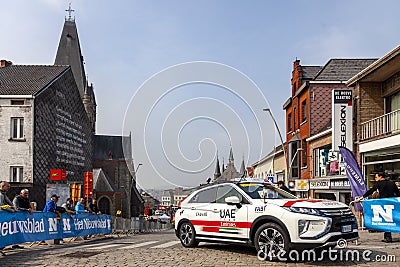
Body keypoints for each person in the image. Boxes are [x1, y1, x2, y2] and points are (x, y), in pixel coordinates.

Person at [355, 172, 400, 242]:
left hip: (384, 204)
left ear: (380, 177)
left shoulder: (379, 183)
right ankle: (390, 236)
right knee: (396, 219)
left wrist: (361, 198)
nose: (375, 178)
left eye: (376, 177)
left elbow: (371, 191)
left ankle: (388, 237)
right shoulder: (392, 183)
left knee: (386, 220)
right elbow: (398, 193)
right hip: (392, 204)